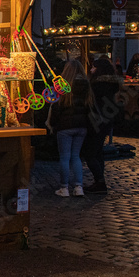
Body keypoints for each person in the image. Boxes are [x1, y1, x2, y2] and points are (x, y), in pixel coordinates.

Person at [46, 60, 94, 198]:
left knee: (65, 157)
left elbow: (56, 107)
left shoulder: (62, 86)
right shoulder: (86, 85)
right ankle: (79, 187)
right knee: (76, 156)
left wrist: (53, 124)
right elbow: (89, 106)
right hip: (82, 126)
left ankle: (64, 188)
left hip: (65, 126)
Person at [83, 57, 121, 194]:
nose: (91, 69)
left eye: (93, 67)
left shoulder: (96, 85)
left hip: (96, 120)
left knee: (90, 153)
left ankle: (100, 181)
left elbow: (91, 103)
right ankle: (99, 181)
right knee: (98, 151)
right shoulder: (112, 84)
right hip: (106, 121)